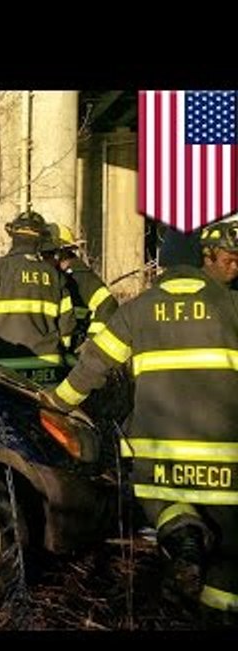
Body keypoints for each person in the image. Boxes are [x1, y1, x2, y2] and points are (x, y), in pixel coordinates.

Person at [48, 215, 238, 626]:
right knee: (229, 551)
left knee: (164, 504)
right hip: (228, 456)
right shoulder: (231, 306)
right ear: (203, 259)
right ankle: (218, 611)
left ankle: (183, 535)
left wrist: (56, 402)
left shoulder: (138, 310)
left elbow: (93, 366)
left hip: (157, 454)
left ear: (164, 262)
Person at [0, 210, 76, 385]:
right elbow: (67, 326)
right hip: (47, 369)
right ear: (41, 240)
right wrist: (63, 351)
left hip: (2, 368)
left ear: (13, 236)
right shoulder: (55, 275)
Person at [41, 223, 118, 351]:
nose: (43, 258)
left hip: (77, 348)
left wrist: (90, 341)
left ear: (59, 253)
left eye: (47, 254)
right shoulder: (55, 276)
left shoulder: (80, 276)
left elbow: (108, 305)